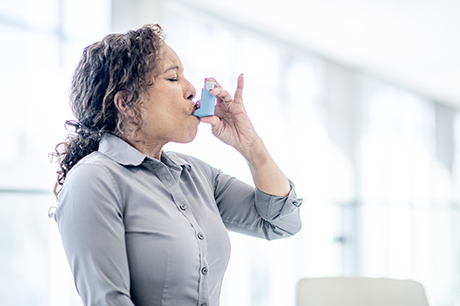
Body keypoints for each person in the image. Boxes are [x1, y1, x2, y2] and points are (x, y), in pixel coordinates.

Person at [52, 24, 302, 306]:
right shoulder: (93, 180)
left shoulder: (196, 174)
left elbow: (282, 223)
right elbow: (108, 301)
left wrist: (251, 145)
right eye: (173, 78)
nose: (192, 89)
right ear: (127, 104)